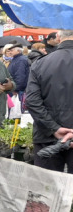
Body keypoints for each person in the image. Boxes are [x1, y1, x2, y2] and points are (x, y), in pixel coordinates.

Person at [27, 28, 73, 172]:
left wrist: (54, 128)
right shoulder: (40, 62)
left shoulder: (40, 63)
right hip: (48, 134)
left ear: (58, 37)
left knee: (46, 190)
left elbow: (32, 102)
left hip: (46, 137)